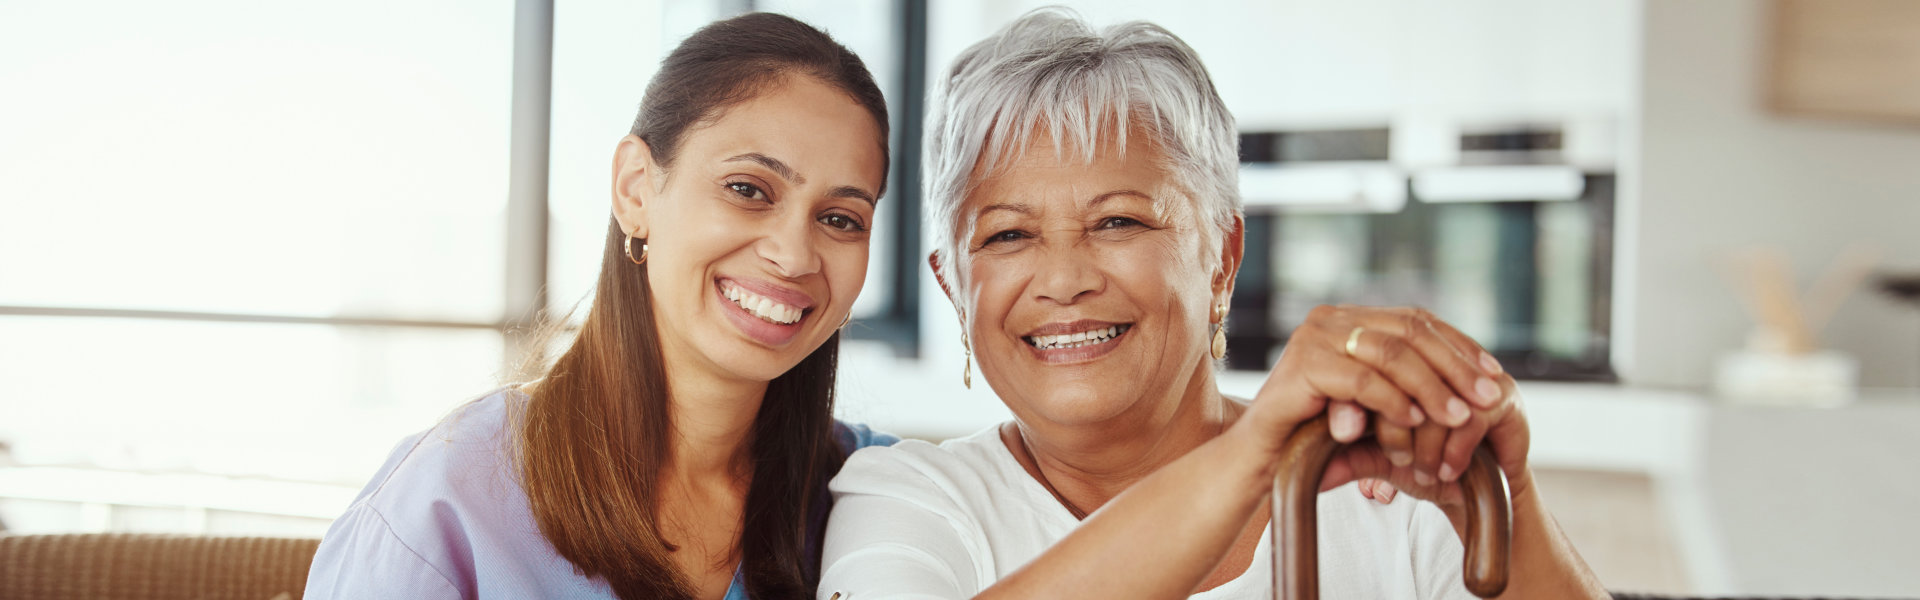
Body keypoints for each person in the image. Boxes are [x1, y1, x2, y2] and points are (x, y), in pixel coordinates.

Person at [819, 9, 1610, 599]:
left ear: (1223, 259)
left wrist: (1503, 498)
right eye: (1008, 236)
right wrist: (1254, 456)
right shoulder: (905, 497)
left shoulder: (1390, 502)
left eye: (1119, 221)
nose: (1063, 279)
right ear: (953, 286)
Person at [305, 13, 897, 600]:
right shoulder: (454, 493)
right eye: (747, 189)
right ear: (635, 189)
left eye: (840, 219)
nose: (794, 256)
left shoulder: (881, 493)